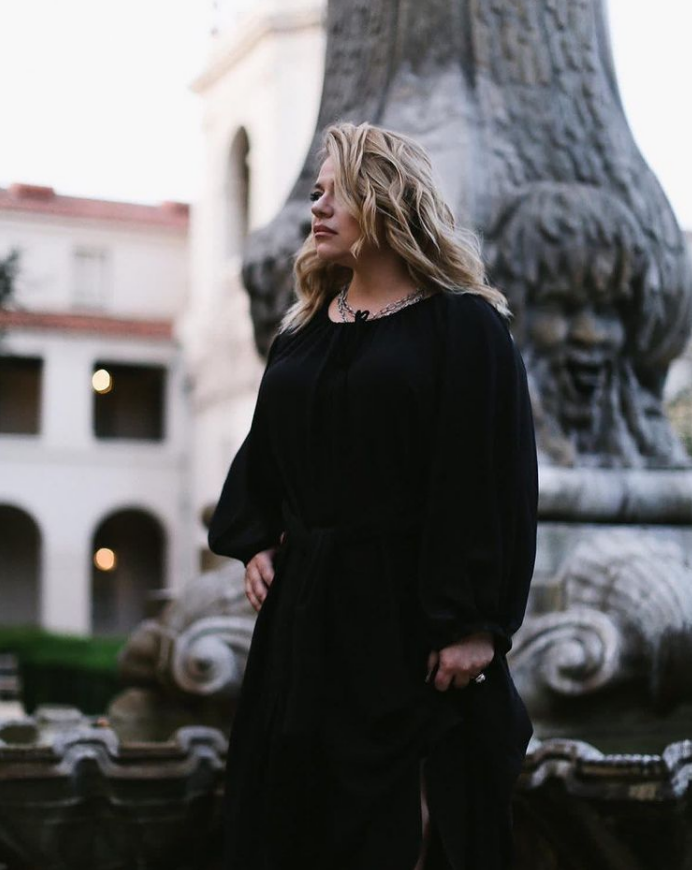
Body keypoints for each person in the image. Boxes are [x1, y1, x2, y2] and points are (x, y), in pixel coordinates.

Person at [207, 121, 539, 870]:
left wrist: (479, 624)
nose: (317, 208)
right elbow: (266, 461)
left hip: (408, 622)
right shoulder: (301, 334)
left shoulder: (465, 327)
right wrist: (256, 542)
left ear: (387, 199)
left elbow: (498, 482)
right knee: (293, 824)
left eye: (338, 192)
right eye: (316, 193)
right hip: (304, 624)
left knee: (406, 830)